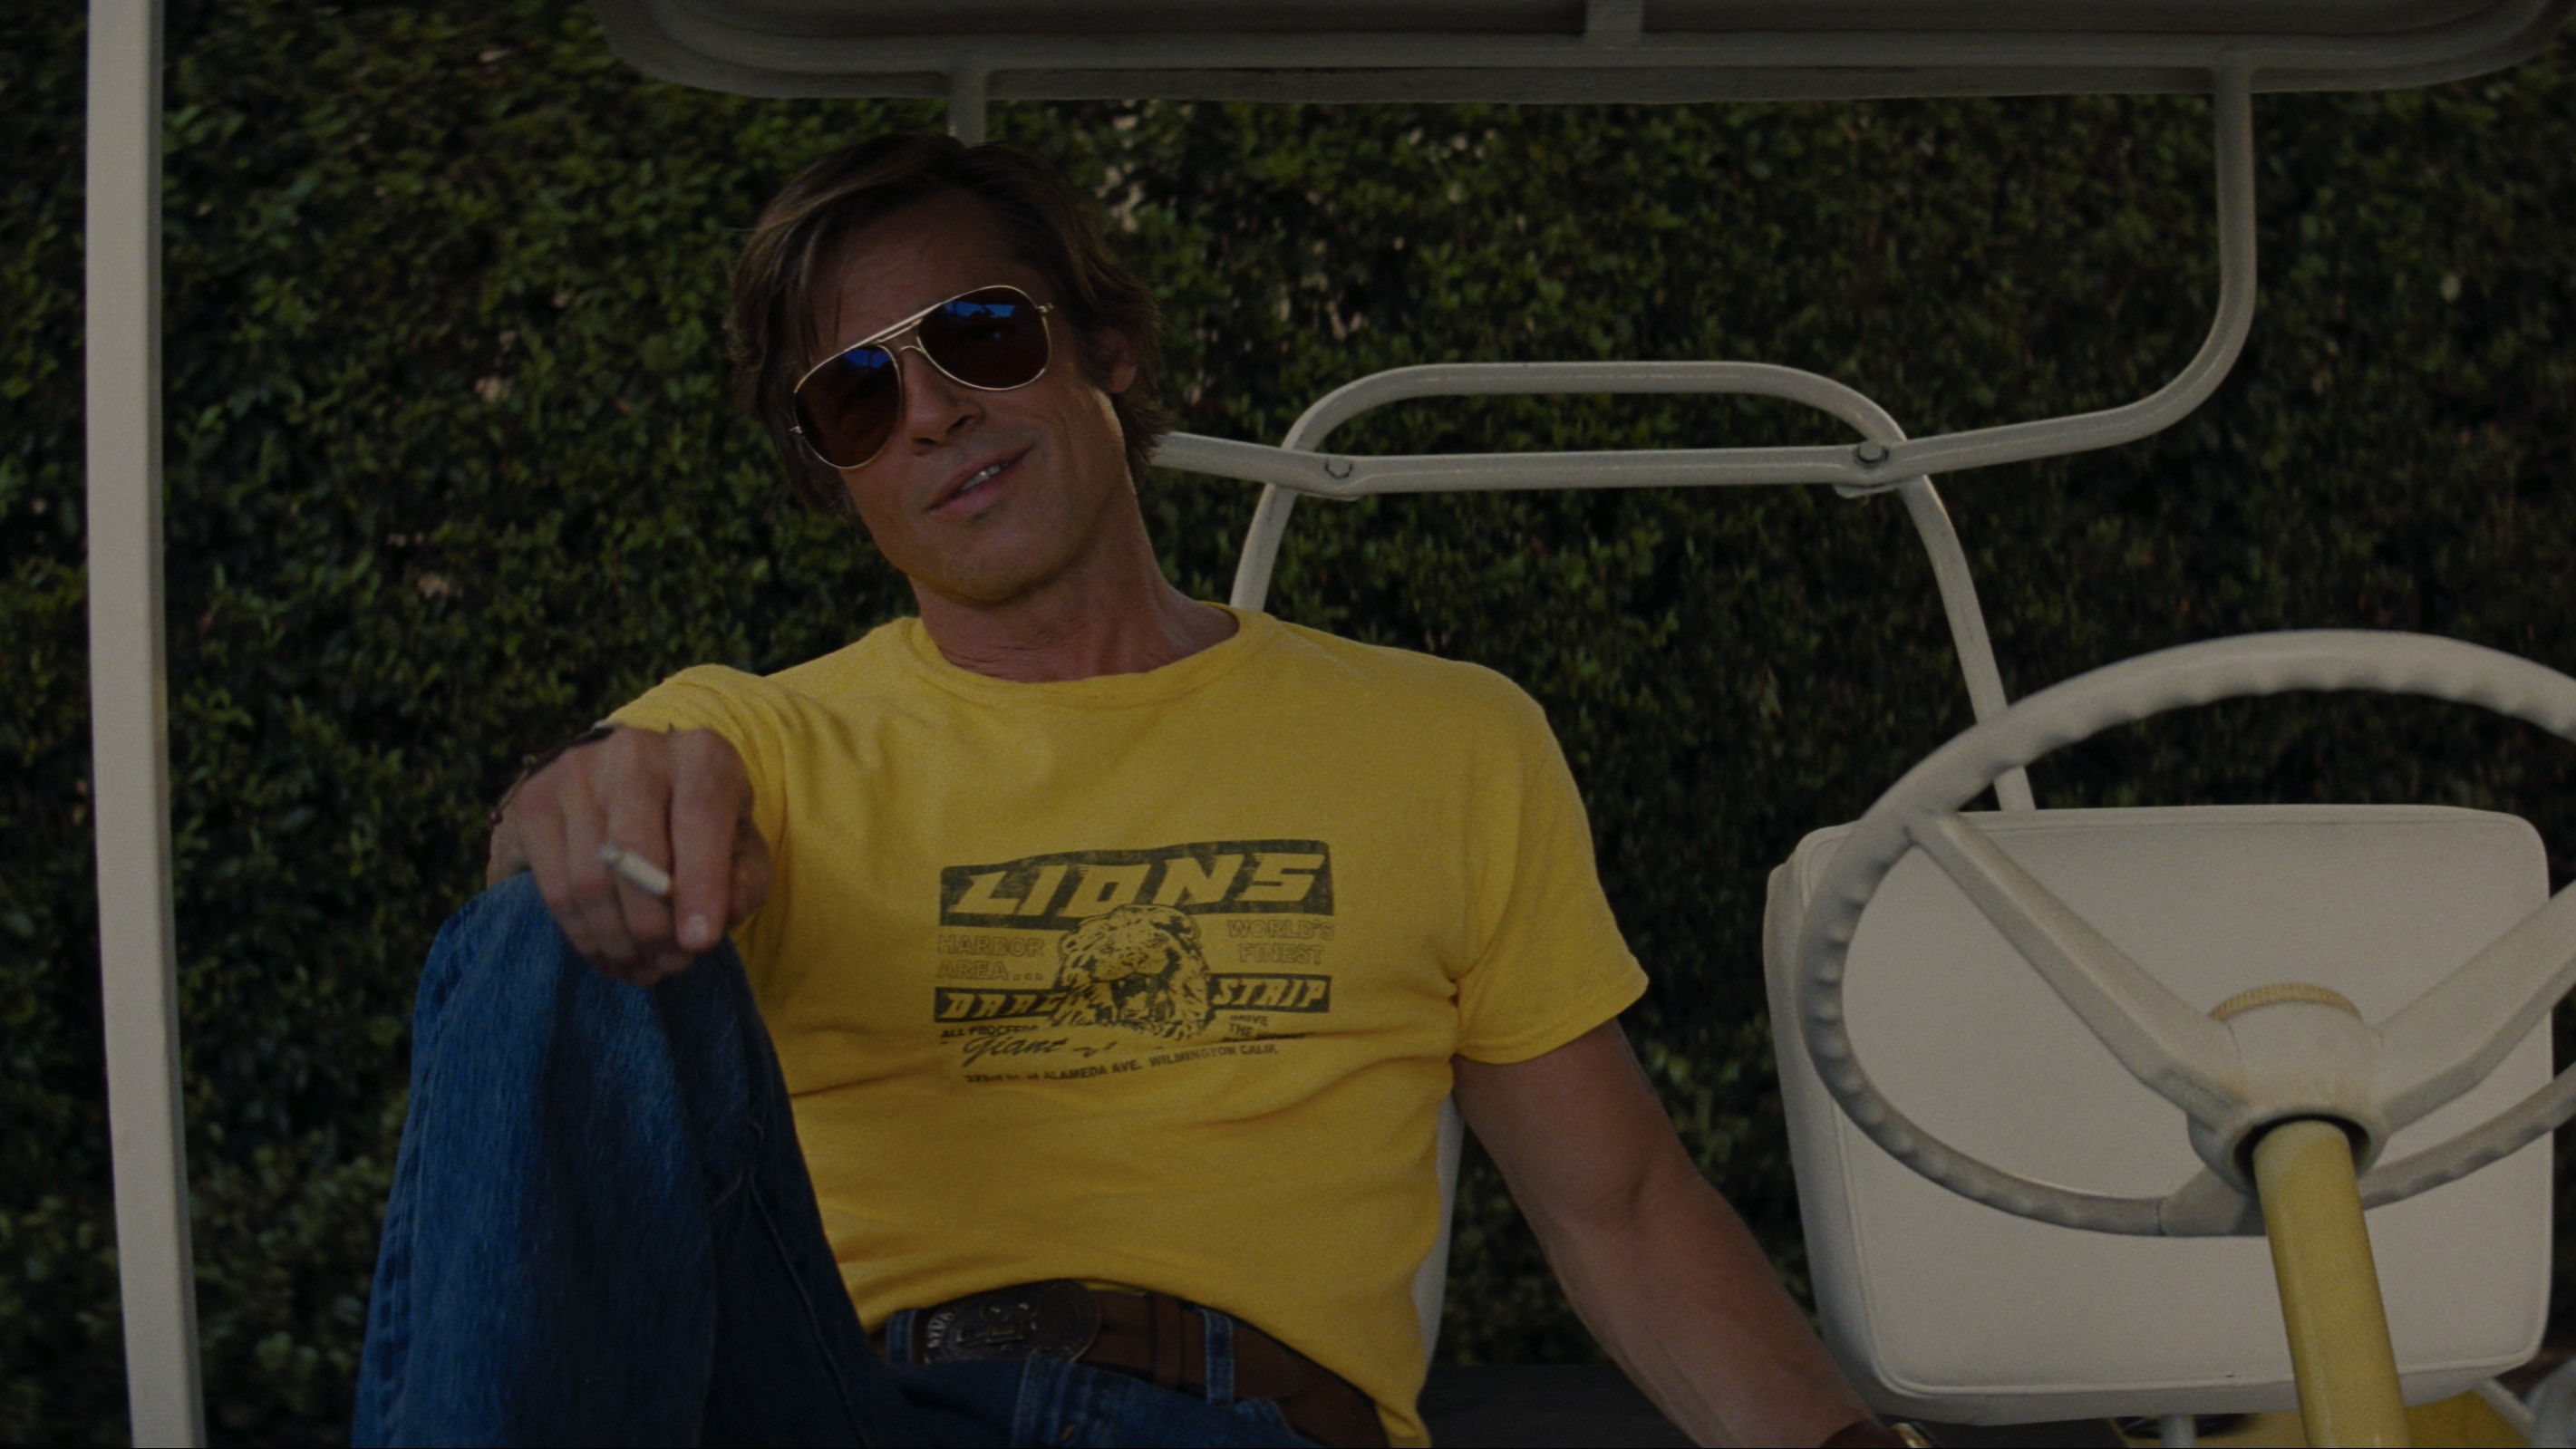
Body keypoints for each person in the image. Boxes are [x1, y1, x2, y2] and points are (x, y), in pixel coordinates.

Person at [353, 132, 1903, 1449]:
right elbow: (552, 876)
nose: (933, 412)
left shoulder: (1446, 740)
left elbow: (1619, 1210)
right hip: (855, 1405)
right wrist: (577, 811)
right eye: (855, 399)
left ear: (1107, 346)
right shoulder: (752, 741)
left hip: (1255, 1419)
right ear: (835, 474)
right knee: (556, 924)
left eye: (977, 334)